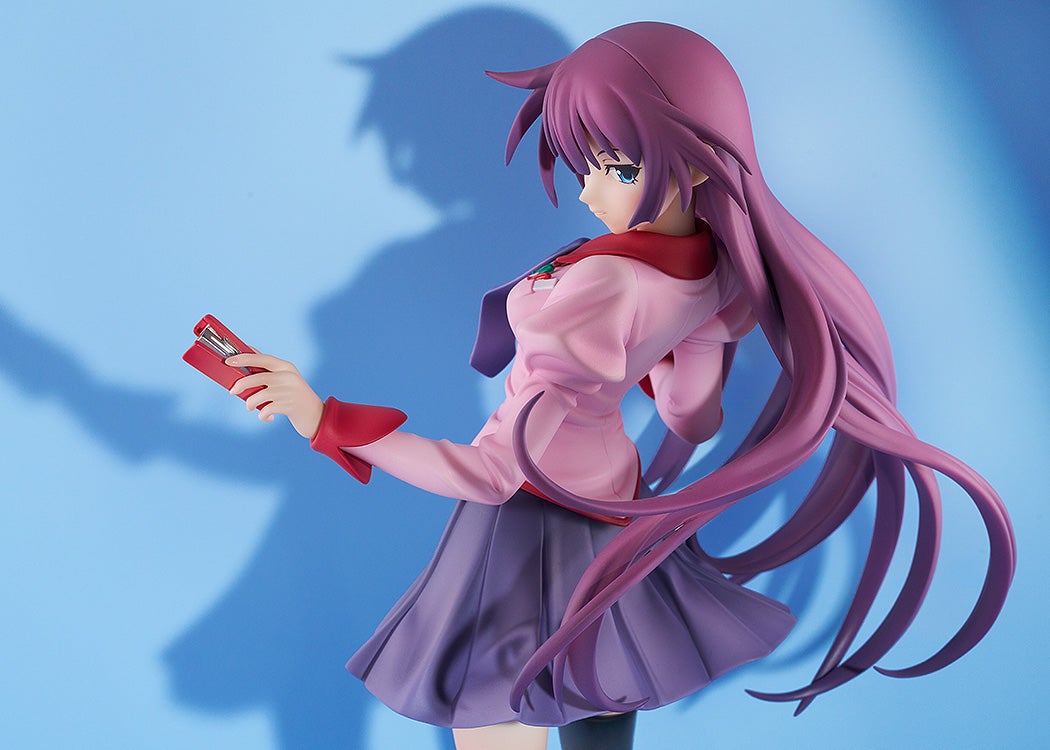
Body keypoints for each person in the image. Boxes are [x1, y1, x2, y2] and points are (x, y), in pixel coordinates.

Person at [222, 22, 1015, 750]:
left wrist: (323, 418)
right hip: (610, 517)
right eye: (588, 166)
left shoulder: (599, 290)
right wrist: (640, 359)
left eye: (617, 168)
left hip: (523, 529)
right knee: (600, 707)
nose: (588, 193)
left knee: (494, 711)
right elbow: (692, 416)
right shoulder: (715, 268)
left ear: (695, 159)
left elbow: (493, 474)